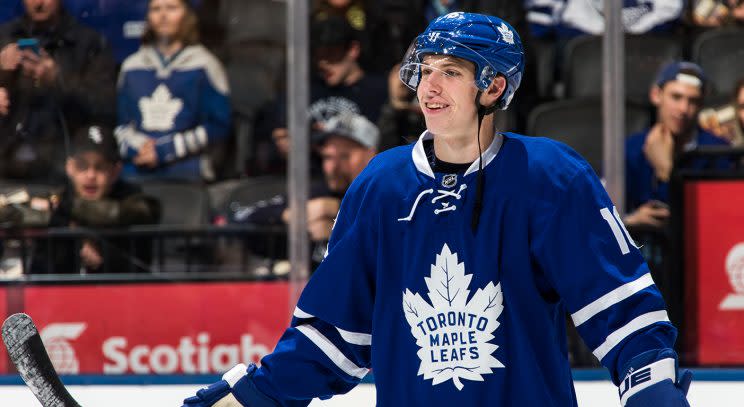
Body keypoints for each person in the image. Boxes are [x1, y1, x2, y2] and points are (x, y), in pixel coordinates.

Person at [183, 12, 691, 407]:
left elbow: (621, 312)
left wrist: (653, 389)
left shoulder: (551, 178)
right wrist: (256, 393)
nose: (429, 87)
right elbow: (335, 334)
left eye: (450, 72)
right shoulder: (381, 185)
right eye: (425, 71)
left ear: (493, 87)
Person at [230, 111, 379, 268]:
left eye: (344, 156)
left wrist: (339, 215)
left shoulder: (390, 192)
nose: (332, 167)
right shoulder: (317, 194)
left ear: (371, 155)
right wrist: (293, 215)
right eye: (327, 157)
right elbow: (241, 217)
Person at [0, 0, 117, 183]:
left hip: (64, 169)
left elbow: (104, 108)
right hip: (5, 168)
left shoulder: (89, 43)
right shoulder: (3, 37)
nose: (38, 2)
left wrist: (58, 79)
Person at [116, 0, 231, 182]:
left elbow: (218, 126)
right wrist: (138, 148)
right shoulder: (131, 66)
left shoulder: (205, 65)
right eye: (156, 9)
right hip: (138, 170)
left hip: (188, 172)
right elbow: (122, 126)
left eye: (171, 8)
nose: (163, 15)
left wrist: (165, 151)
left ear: (187, 15)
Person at [25, 124, 160, 274]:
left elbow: (140, 212)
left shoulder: (134, 200)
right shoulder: (58, 197)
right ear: (70, 168)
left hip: (122, 294)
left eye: (100, 167)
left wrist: (65, 210)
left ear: (115, 171)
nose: (90, 175)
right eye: (82, 166)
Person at [624, 61, 730, 229]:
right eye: (676, 97)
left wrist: (666, 171)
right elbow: (600, 213)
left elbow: (720, 218)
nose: (683, 108)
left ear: (701, 105)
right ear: (656, 95)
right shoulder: (631, 148)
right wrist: (630, 221)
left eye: (693, 101)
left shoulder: (718, 152)